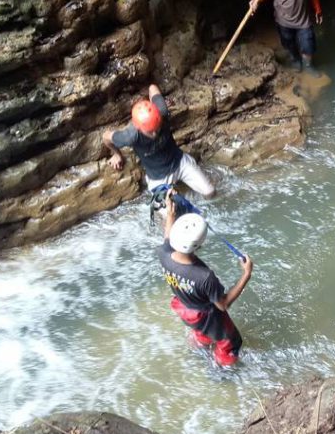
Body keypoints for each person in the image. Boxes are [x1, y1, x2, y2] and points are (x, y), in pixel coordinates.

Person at [159, 189, 253, 366]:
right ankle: (220, 371)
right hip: (207, 315)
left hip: (186, 309)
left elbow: (167, 237)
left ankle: (199, 345)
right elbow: (223, 304)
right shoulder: (204, 276)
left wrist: (170, 214)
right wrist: (246, 274)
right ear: (199, 245)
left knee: (201, 331)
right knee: (231, 342)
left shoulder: (163, 254)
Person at [102, 83, 215, 198]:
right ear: (138, 128)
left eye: (157, 128)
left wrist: (152, 103)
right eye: (150, 131)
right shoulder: (130, 136)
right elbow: (105, 136)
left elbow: (152, 87)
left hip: (180, 163)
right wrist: (116, 154)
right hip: (158, 178)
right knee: (168, 214)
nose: (155, 133)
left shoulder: (162, 112)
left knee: (210, 193)